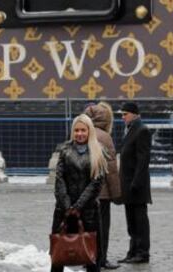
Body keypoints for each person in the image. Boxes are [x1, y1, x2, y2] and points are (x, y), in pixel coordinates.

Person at [51, 114, 107, 272]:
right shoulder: (65, 150)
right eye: (76, 130)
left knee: (91, 255)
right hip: (64, 210)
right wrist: (68, 206)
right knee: (58, 254)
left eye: (83, 130)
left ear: (89, 131)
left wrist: (78, 206)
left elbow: (96, 183)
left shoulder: (98, 152)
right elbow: (59, 179)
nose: (80, 134)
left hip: (88, 211)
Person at [87, 102, 122, 270]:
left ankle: (87, 257)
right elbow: (111, 169)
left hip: (83, 192)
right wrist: (116, 194)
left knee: (87, 227)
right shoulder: (104, 137)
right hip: (101, 193)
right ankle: (101, 259)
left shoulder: (81, 132)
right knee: (102, 228)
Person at [119, 102, 151, 264]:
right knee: (131, 222)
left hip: (136, 185)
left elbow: (143, 160)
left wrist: (136, 183)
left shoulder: (142, 130)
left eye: (125, 114)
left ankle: (142, 252)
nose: (122, 117)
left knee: (139, 221)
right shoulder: (131, 129)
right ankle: (132, 251)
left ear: (134, 114)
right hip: (128, 184)